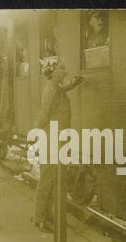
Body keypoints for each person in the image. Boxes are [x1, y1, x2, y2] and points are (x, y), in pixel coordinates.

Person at [31, 56, 84, 232]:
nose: (65, 71)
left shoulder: (56, 88)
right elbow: (44, 115)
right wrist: (36, 135)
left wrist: (73, 84)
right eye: (62, 69)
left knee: (54, 180)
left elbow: (61, 89)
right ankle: (40, 217)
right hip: (51, 140)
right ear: (53, 72)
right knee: (48, 179)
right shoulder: (52, 90)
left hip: (57, 140)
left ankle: (47, 215)